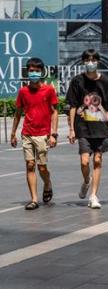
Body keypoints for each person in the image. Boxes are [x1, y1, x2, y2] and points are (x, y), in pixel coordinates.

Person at [66, 49, 108, 209]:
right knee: (84, 161)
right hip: (82, 128)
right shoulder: (77, 81)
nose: (90, 62)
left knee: (97, 160)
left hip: (101, 128)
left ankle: (93, 195)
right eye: (87, 59)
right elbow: (73, 106)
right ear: (83, 62)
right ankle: (86, 180)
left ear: (98, 61)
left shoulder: (106, 82)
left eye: (93, 59)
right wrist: (71, 129)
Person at [10, 58, 59, 210]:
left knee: (42, 167)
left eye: (37, 71)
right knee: (30, 165)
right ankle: (34, 199)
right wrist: (13, 133)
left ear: (41, 72)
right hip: (27, 133)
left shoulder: (49, 90)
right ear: (27, 72)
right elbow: (18, 113)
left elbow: (54, 112)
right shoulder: (23, 91)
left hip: (43, 134)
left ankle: (47, 183)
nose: (34, 73)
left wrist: (53, 134)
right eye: (31, 71)